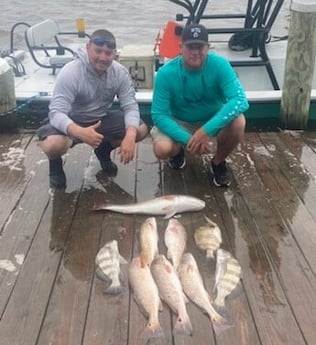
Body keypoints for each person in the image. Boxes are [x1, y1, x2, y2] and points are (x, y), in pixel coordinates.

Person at [38, 29, 148, 188]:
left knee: (140, 129)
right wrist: (80, 132)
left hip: (100, 120)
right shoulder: (71, 72)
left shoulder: (120, 72)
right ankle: (55, 164)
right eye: (98, 51)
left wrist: (130, 136)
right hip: (70, 121)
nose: (103, 58)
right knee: (52, 144)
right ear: (88, 48)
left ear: (114, 54)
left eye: (108, 53)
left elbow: (130, 106)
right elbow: (56, 113)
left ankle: (103, 150)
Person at [151, 23, 249, 187]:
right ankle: (178, 152)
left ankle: (218, 162)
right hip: (180, 121)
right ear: (181, 47)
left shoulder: (220, 65)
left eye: (200, 47)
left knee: (239, 121)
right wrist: (190, 140)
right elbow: (158, 115)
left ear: (208, 47)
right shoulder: (165, 73)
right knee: (162, 149)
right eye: (190, 47)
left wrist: (206, 130)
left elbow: (239, 100)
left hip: (212, 119)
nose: (195, 52)